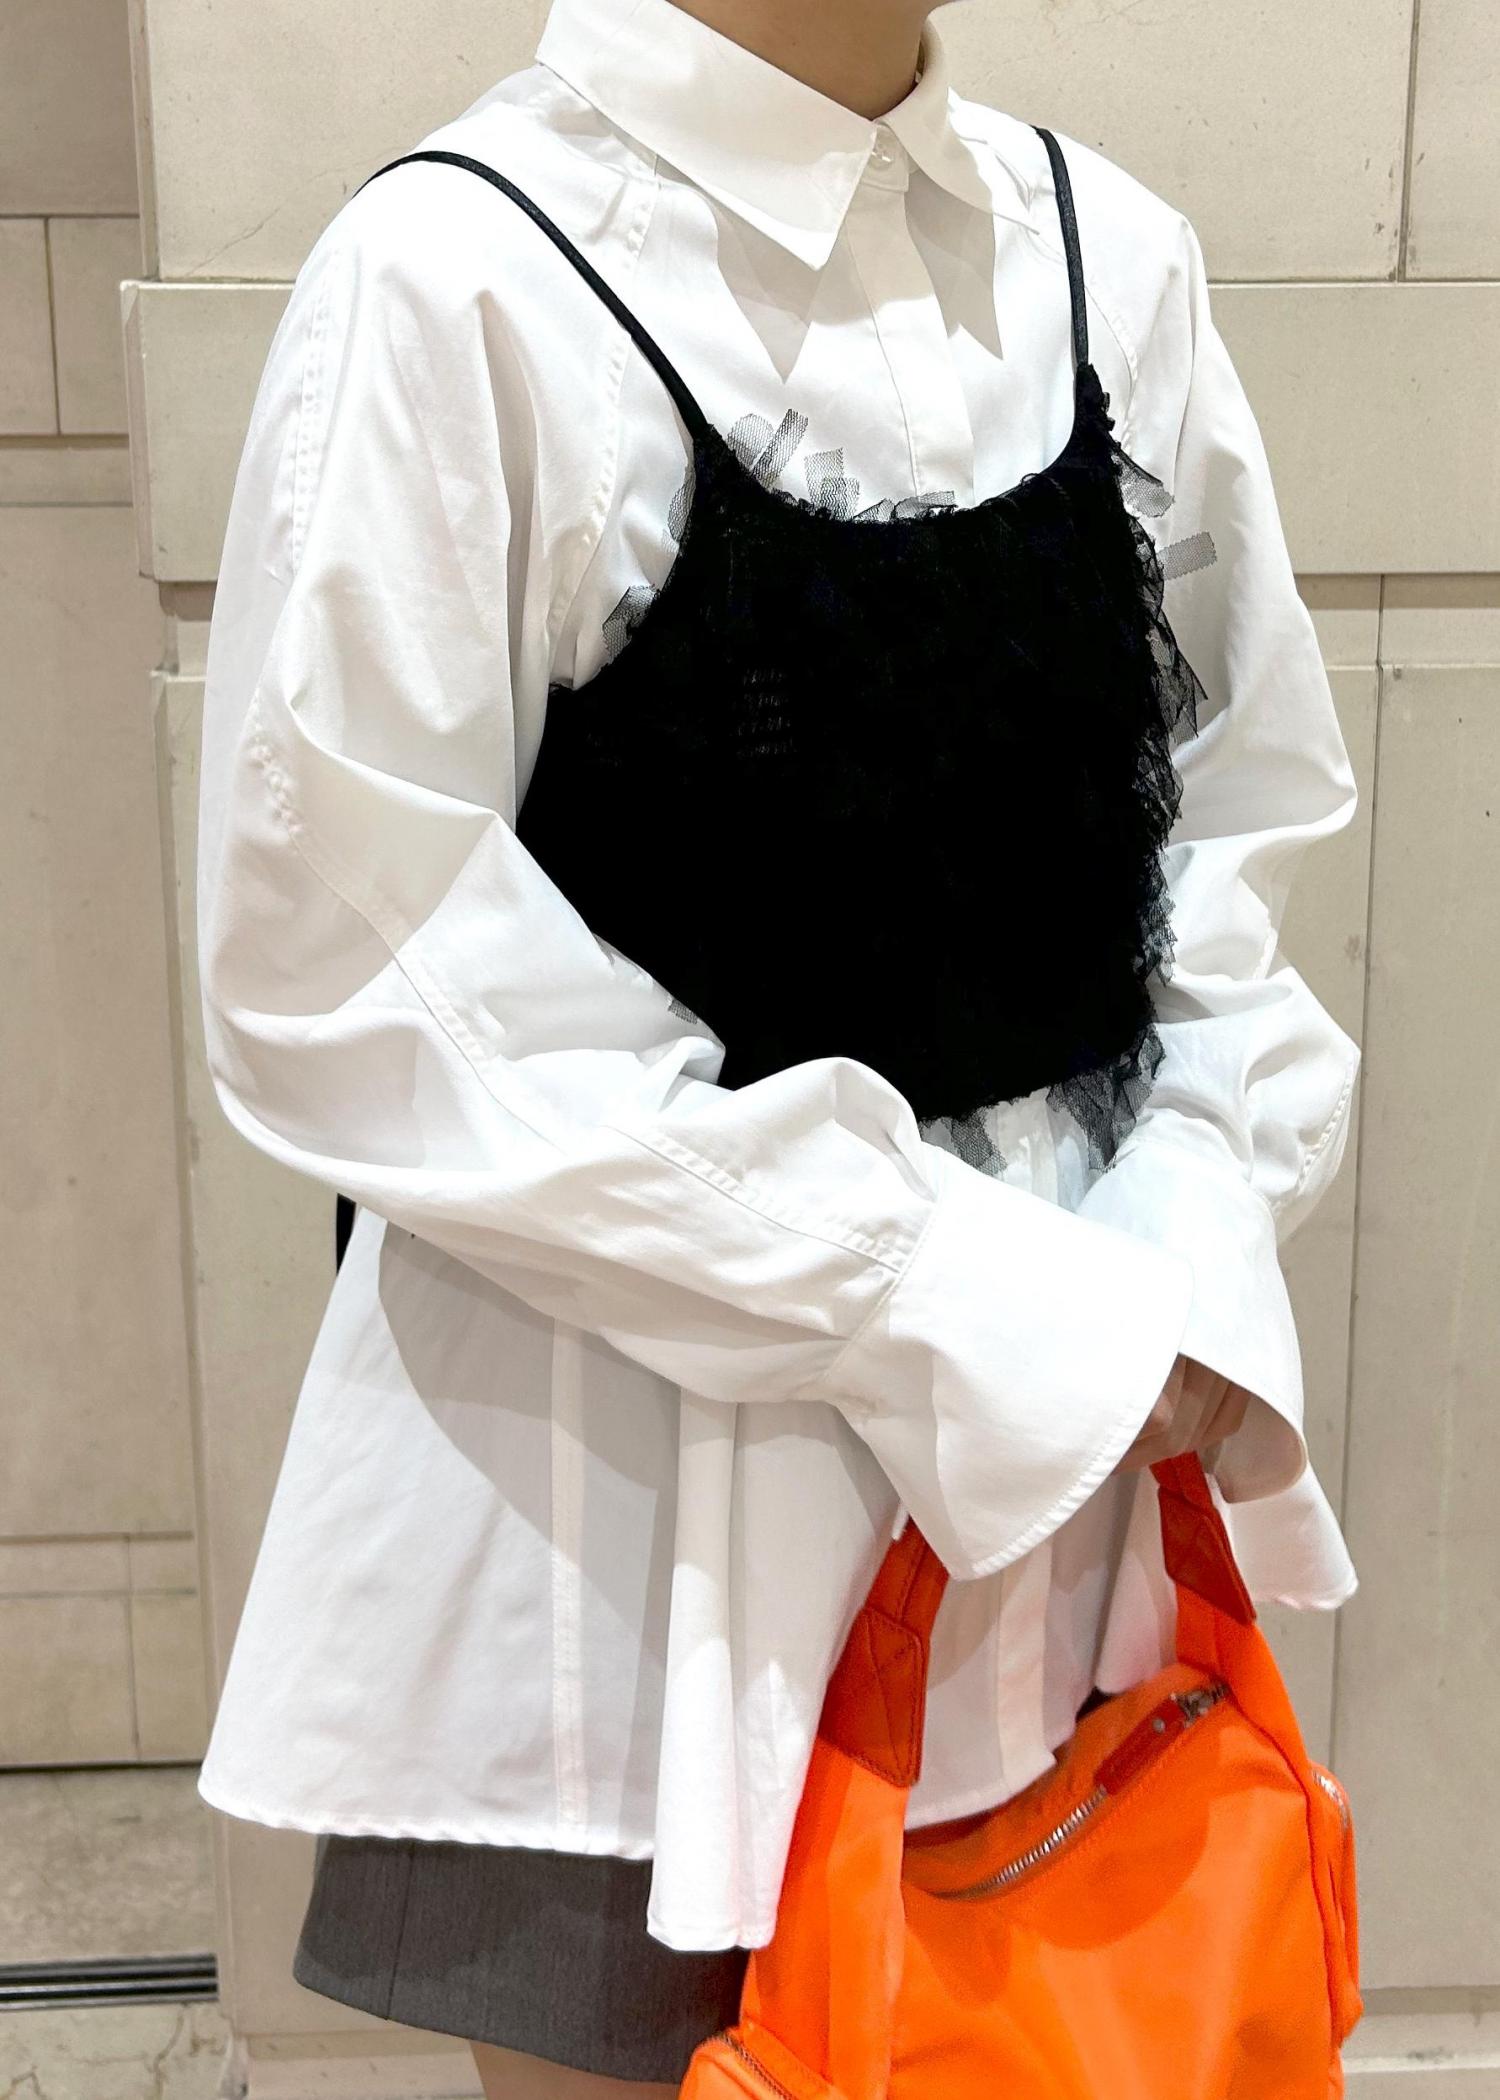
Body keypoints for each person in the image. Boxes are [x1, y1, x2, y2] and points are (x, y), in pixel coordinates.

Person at [193, 0, 1362, 2091]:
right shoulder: (465, 278)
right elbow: (355, 967)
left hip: (1065, 1497)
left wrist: (1188, 1227)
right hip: (622, 1552)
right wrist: (957, 1302)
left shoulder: (1109, 256)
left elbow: (1224, 820)